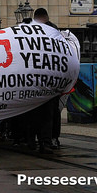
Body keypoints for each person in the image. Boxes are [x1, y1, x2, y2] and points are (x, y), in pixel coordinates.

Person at [33, 8, 61, 151]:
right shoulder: (54, 31)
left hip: (42, 81)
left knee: (47, 112)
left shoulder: (37, 30)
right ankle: (48, 139)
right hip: (49, 80)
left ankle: (46, 140)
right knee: (49, 112)